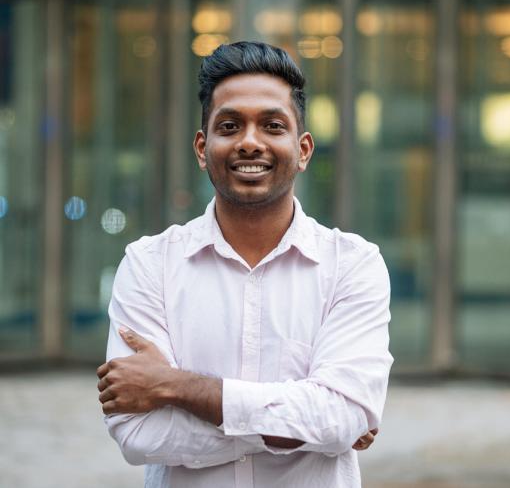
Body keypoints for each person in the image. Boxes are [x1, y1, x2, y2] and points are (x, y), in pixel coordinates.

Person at [97, 41, 393, 488]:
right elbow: (137, 435)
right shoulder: (148, 264)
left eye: (273, 126)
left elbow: (341, 417)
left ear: (304, 149)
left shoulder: (352, 265)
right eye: (230, 126)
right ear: (202, 148)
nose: (250, 142)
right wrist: (310, 427)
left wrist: (175, 387)